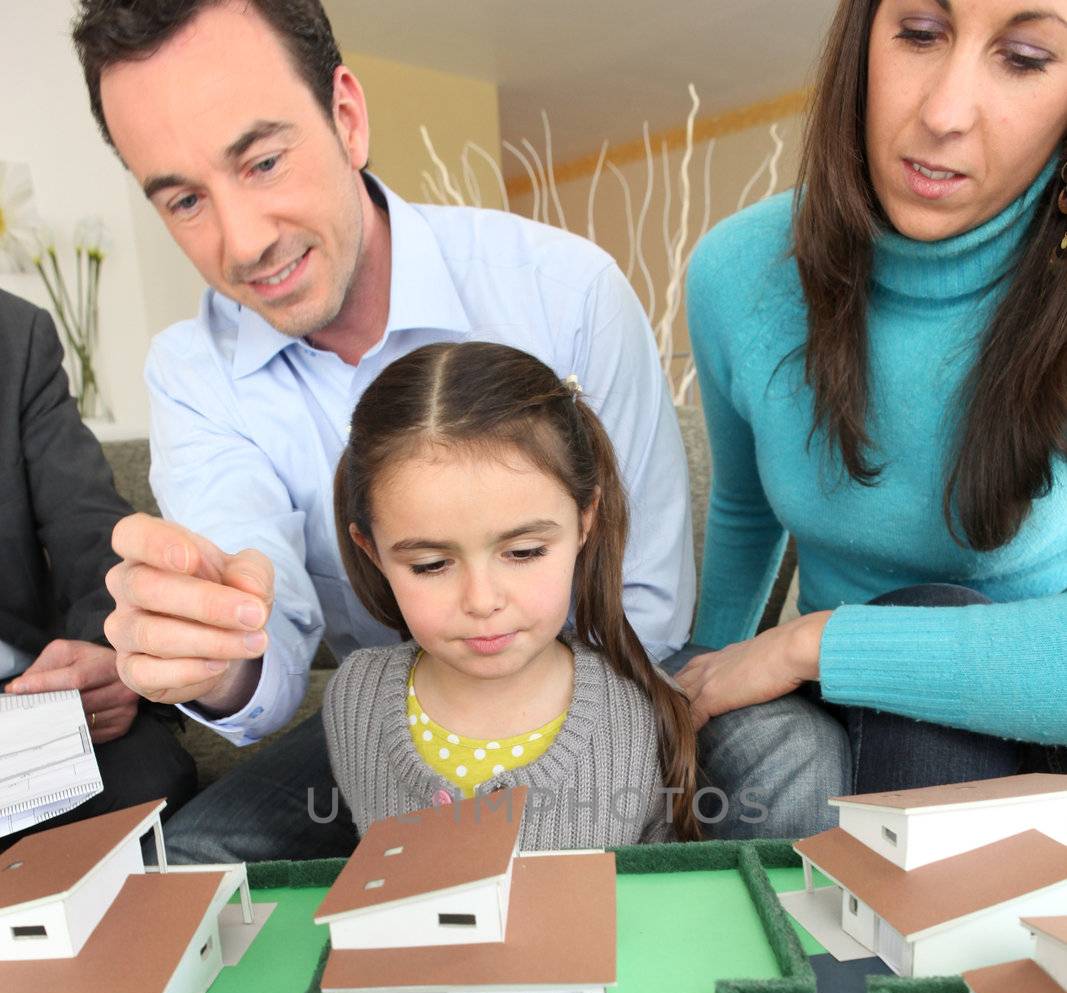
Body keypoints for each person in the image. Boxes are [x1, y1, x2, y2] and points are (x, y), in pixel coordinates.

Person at [71, 0, 694, 863]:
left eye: (262, 161)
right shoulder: (192, 373)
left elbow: (647, 608)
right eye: (184, 200)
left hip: (593, 697)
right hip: (382, 738)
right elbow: (262, 606)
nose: (242, 243)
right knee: (186, 863)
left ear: (347, 117)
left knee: (784, 762)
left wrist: (529, 772)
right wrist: (220, 657)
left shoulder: (566, 292)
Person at [676, 0, 1067, 839]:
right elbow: (744, 508)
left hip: (1034, 707)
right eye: (921, 35)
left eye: (1027, 57)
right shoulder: (736, 272)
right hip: (832, 706)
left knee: (930, 608)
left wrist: (810, 643)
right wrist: (701, 679)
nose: (942, 114)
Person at [326, 341, 698, 847]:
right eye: (430, 564)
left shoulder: (642, 708)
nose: (482, 601)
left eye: (523, 552)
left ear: (584, 521)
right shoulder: (355, 700)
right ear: (372, 551)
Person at [0, 288, 197, 833]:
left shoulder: (14, 335)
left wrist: (107, 648)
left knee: (149, 776)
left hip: (21, 705)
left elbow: (90, 525)